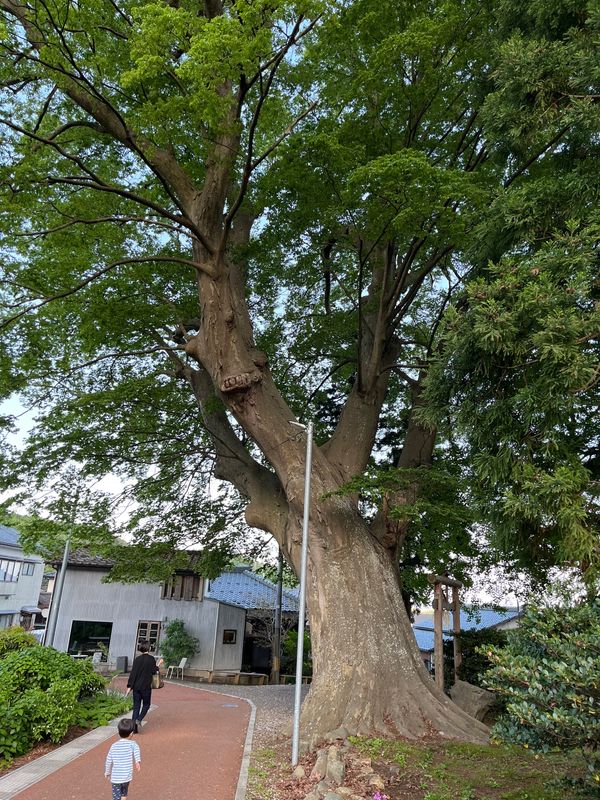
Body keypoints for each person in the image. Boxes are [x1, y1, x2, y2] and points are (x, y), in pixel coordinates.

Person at [125, 641, 163, 732]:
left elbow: (133, 674)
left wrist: (129, 687)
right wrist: (158, 664)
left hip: (136, 687)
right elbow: (154, 671)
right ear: (149, 648)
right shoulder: (151, 659)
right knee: (146, 705)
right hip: (146, 687)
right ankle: (139, 719)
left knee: (136, 707)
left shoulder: (137, 659)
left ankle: (134, 729)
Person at [105, 718, 141, 800]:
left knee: (116, 797)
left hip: (116, 778)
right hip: (127, 777)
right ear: (131, 733)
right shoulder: (133, 744)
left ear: (118, 732)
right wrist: (137, 761)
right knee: (124, 794)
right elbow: (136, 750)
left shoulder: (113, 746)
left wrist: (107, 772)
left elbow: (109, 761)